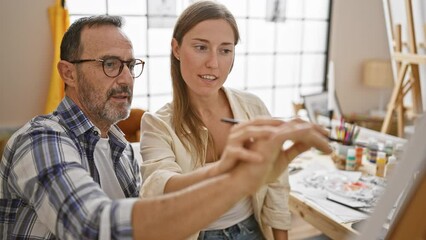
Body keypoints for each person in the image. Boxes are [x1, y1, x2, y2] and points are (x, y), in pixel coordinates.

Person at [0, 15, 331, 240]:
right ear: (68, 73)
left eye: (130, 65)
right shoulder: (40, 138)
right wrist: (237, 178)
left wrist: (228, 169)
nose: (126, 78)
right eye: (110, 64)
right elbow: (92, 225)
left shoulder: (119, 148)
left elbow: (150, 214)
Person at [139, 1, 321, 240]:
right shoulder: (156, 124)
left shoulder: (253, 107)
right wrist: (225, 170)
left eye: (225, 50)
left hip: (250, 230)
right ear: (176, 49)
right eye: (201, 47)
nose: (213, 63)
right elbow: (158, 187)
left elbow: (276, 183)